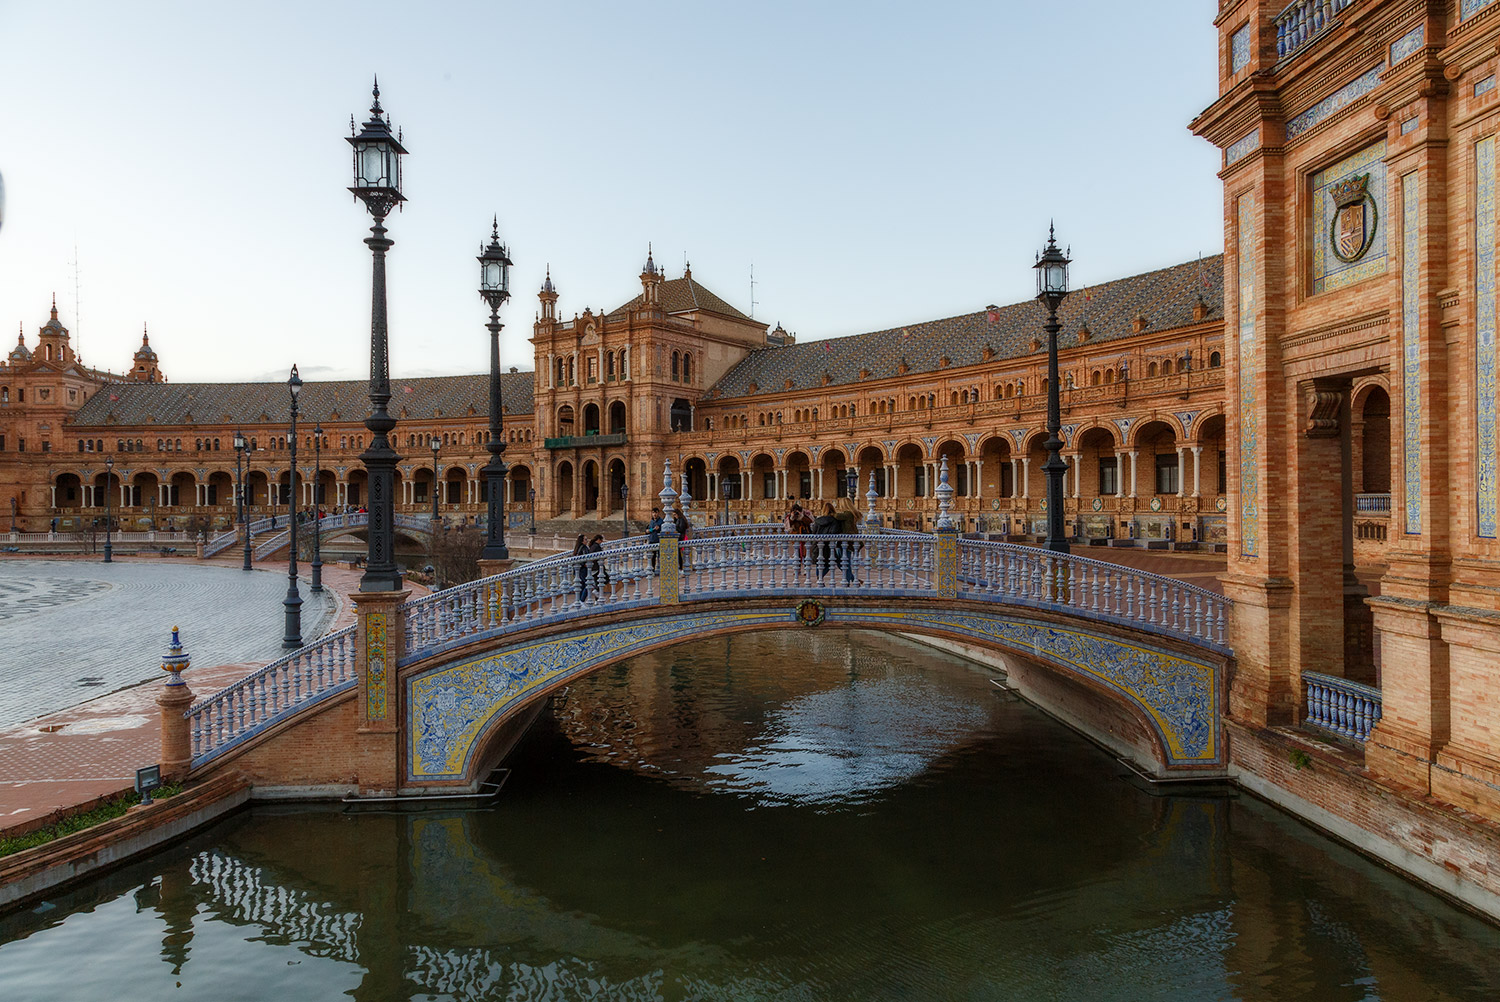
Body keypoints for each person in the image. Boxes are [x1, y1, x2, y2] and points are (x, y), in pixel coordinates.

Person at [811, 502, 841, 580]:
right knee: (830, 563)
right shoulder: (834, 521)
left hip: (817, 545)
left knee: (819, 563)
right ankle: (820, 577)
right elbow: (835, 532)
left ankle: (819, 578)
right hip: (828, 546)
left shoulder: (817, 520)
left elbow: (813, 532)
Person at [572, 533, 590, 601]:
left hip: (578, 569)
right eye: (585, 539)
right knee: (588, 584)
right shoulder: (584, 548)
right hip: (583, 569)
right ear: (582, 541)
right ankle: (581, 600)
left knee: (582, 585)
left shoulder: (577, 548)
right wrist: (585, 564)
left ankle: (579, 600)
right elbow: (586, 558)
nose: (587, 541)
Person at [647, 506, 664, 573]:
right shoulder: (651, 521)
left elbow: (660, 529)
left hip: (658, 540)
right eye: (653, 513)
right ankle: (653, 569)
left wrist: (658, 529)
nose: (654, 514)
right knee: (652, 556)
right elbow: (649, 529)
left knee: (660, 556)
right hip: (652, 540)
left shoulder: (661, 521)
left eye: (656, 513)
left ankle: (661, 569)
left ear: (658, 513)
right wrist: (649, 530)